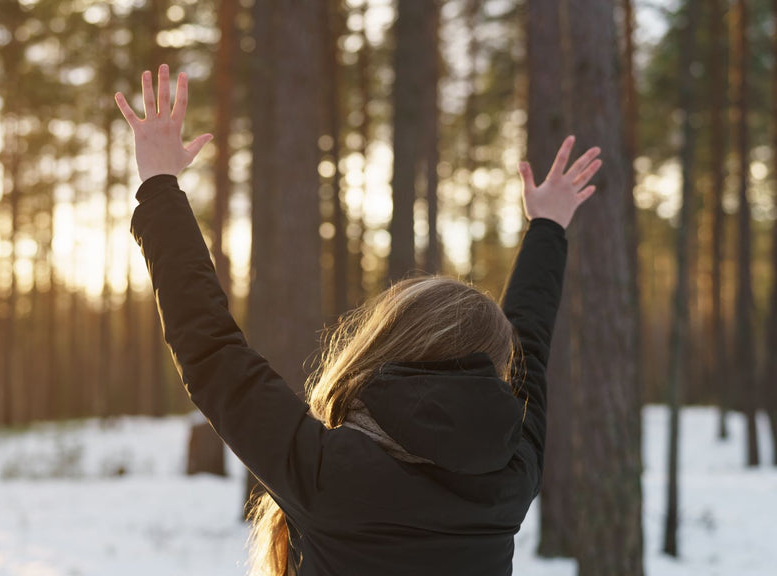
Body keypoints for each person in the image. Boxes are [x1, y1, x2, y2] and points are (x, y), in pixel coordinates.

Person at [115, 65, 601, 576]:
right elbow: (532, 346)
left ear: (389, 340)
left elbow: (211, 350)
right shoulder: (512, 472)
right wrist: (547, 227)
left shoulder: (330, 473)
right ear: (491, 362)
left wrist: (160, 187)